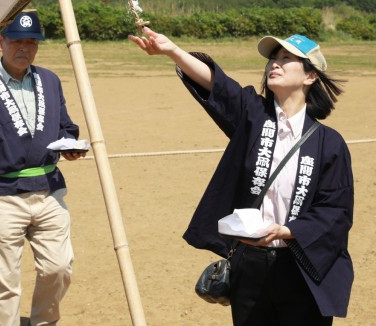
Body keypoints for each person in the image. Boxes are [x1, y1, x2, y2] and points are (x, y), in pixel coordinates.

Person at [129, 27, 353, 325]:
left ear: (310, 76)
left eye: (287, 58)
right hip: (249, 265)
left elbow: (336, 210)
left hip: (301, 267)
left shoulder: (329, 142)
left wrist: (289, 231)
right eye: (273, 58)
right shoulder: (253, 115)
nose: (275, 63)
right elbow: (219, 86)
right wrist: (173, 51)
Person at [0, 10, 85, 326]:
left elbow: (66, 126)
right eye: (16, 41)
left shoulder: (50, 81)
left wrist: (70, 144)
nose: (24, 48)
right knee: (4, 282)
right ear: (1, 42)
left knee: (59, 267)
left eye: (31, 42)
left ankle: (43, 322)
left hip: (48, 192)